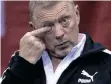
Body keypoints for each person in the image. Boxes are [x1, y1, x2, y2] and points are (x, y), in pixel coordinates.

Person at [1, 1, 111, 84]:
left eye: (64, 21)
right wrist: (23, 65)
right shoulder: (21, 64)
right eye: (48, 26)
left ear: (77, 15)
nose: (59, 34)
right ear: (34, 28)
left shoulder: (106, 62)